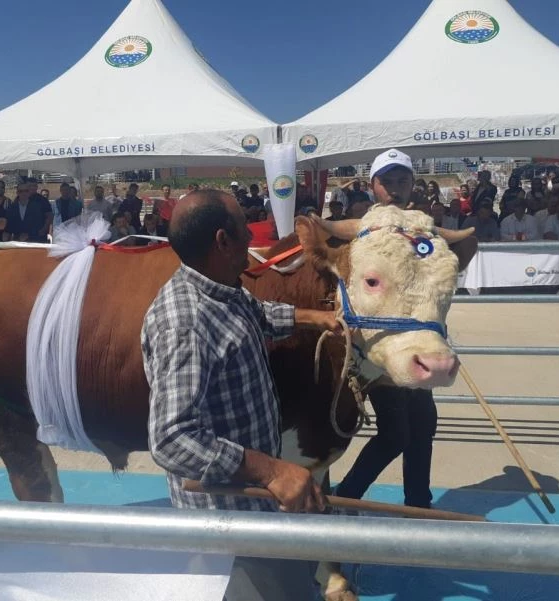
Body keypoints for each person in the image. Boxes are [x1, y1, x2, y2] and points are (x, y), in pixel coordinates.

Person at [142, 189, 340, 600]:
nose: (252, 235)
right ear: (222, 241)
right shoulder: (187, 324)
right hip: (230, 524)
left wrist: (313, 317)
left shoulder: (222, 288)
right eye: (243, 227)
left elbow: (257, 314)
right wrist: (272, 471)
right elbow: (171, 438)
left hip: (259, 505)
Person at [333, 148, 439, 510]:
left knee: (423, 426)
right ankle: (345, 499)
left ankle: (418, 505)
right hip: (379, 347)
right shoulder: (364, 229)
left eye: (402, 181)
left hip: (418, 340)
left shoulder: (424, 226)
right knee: (396, 434)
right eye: (387, 182)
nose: (396, 189)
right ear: (373, 185)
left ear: (412, 184)